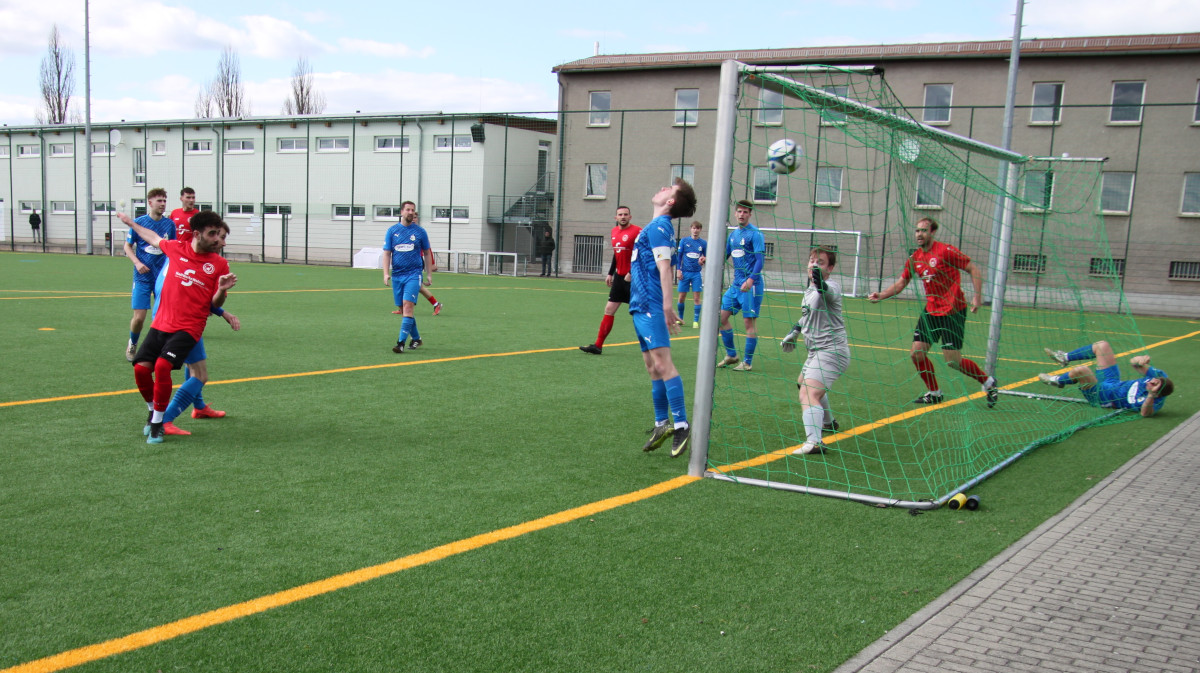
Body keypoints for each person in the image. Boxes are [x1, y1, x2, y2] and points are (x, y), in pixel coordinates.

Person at [120, 210, 235, 444]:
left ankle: (162, 420)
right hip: (163, 323)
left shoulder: (219, 264)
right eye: (214, 234)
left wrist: (222, 293)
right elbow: (152, 237)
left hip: (189, 327)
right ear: (196, 234)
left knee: (183, 370)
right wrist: (131, 223)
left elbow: (211, 302)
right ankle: (181, 410)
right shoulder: (174, 249)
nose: (219, 241)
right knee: (195, 373)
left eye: (221, 236)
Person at [867, 217, 998, 407]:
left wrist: (978, 296)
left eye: (924, 230)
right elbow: (902, 283)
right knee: (916, 354)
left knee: (953, 361)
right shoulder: (915, 258)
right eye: (917, 231)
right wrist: (881, 294)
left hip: (953, 311)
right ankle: (935, 392)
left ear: (933, 232)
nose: (919, 234)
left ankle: (988, 382)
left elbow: (973, 269)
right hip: (931, 311)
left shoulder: (946, 251)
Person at [630, 179, 698, 458]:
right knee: (651, 366)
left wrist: (668, 306)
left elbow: (665, 267)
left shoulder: (660, 226)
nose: (660, 188)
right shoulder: (656, 227)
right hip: (640, 303)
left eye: (667, 189)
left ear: (670, 201)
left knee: (662, 363)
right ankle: (662, 423)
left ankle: (681, 424)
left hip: (651, 304)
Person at [780, 247, 850, 455]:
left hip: (831, 351)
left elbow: (825, 291)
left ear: (830, 268)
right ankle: (828, 422)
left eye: (820, 262)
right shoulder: (809, 290)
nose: (813, 264)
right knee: (802, 382)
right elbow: (807, 315)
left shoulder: (832, 288)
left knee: (808, 393)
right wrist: (795, 331)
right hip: (816, 351)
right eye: (811, 260)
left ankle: (815, 442)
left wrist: (819, 279)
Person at [1039, 341, 1173, 418]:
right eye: (1155, 380)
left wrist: (1151, 394)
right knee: (1102, 346)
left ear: (1157, 393)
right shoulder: (1159, 377)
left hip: (1103, 397)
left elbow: (1145, 414)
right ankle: (1064, 357)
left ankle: (1057, 381)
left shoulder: (1154, 402)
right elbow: (1133, 362)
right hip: (1112, 382)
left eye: (1154, 385)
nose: (1151, 381)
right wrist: (1141, 361)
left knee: (1082, 370)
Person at [123, 188, 177, 362]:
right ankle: (133, 343)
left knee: (161, 316)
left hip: (162, 277)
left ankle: (157, 349)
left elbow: (172, 249)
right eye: (159, 200)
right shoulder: (139, 223)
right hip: (142, 277)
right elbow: (127, 247)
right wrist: (137, 263)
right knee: (139, 318)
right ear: (150, 203)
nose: (162, 204)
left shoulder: (169, 225)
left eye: (164, 201)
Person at [580, 206, 641, 355]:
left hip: (634, 278)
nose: (623, 217)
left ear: (630, 217)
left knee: (640, 313)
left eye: (626, 214)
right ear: (616, 218)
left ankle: (653, 347)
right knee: (609, 310)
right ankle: (598, 346)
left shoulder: (638, 231)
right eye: (620, 214)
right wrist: (610, 273)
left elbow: (642, 254)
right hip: (619, 278)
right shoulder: (614, 232)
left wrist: (632, 272)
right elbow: (617, 254)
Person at [717, 200, 765, 372]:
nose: (742, 214)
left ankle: (747, 362)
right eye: (739, 211)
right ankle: (731, 354)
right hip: (736, 285)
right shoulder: (733, 236)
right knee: (720, 317)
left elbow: (760, 261)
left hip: (752, 285)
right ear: (735, 213)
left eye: (745, 212)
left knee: (748, 323)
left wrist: (751, 279)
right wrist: (707, 259)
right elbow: (724, 255)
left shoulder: (756, 234)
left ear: (750, 214)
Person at [383, 201, 435, 353]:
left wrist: (429, 273)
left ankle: (400, 343)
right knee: (403, 309)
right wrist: (386, 273)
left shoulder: (420, 232)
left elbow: (426, 253)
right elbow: (387, 253)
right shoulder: (392, 231)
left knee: (407, 306)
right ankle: (417, 339)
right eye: (408, 209)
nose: (411, 212)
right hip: (397, 275)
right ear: (402, 212)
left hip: (413, 274)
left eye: (413, 210)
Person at [392, 213, 442, 316]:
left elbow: (428, 251)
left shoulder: (419, 232)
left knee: (417, 287)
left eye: (415, 217)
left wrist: (431, 264)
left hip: (416, 265)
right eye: (412, 217)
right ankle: (403, 308)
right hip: (404, 266)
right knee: (414, 286)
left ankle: (436, 304)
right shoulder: (400, 230)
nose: (413, 219)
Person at [675, 221, 707, 328]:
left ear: (700, 230)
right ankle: (680, 319)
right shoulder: (684, 241)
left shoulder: (703, 243)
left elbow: (707, 257)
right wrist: (678, 270)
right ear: (691, 229)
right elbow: (679, 258)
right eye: (694, 228)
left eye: (698, 228)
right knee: (681, 297)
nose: (695, 230)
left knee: (697, 298)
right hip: (685, 273)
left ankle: (695, 321)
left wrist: (703, 259)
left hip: (696, 274)